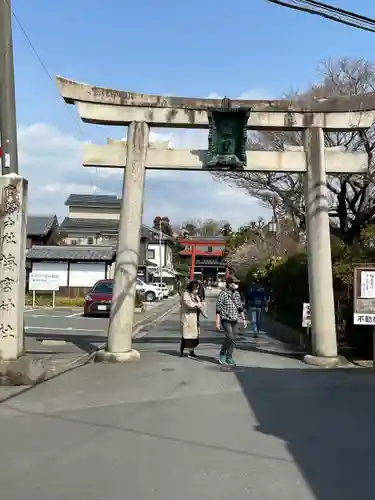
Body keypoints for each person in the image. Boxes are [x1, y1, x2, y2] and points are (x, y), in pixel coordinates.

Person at [215, 276, 247, 366]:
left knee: (233, 339)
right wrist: (217, 322)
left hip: (234, 319)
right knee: (230, 337)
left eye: (237, 283)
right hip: (226, 319)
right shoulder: (223, 293)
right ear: (229, 284)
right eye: (235, 283)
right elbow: (218, 309)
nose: (236, 285)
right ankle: (222, 353)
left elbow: (240, 307)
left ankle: (229, 357)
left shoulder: (237, 294)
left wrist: (244, 319)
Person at [180, 280, 204, 360]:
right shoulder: (186, 294)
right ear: (191, 288)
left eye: (198, 289)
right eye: (196, 289)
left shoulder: (195, 295)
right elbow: (188, 305)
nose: (197, 290)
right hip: (188, 318)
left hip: (195, 318)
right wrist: (197, 305)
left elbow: (200, 303)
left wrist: (199, 304)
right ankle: (190, 352)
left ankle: (189, 350)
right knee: (189, 336)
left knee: (194, 336)